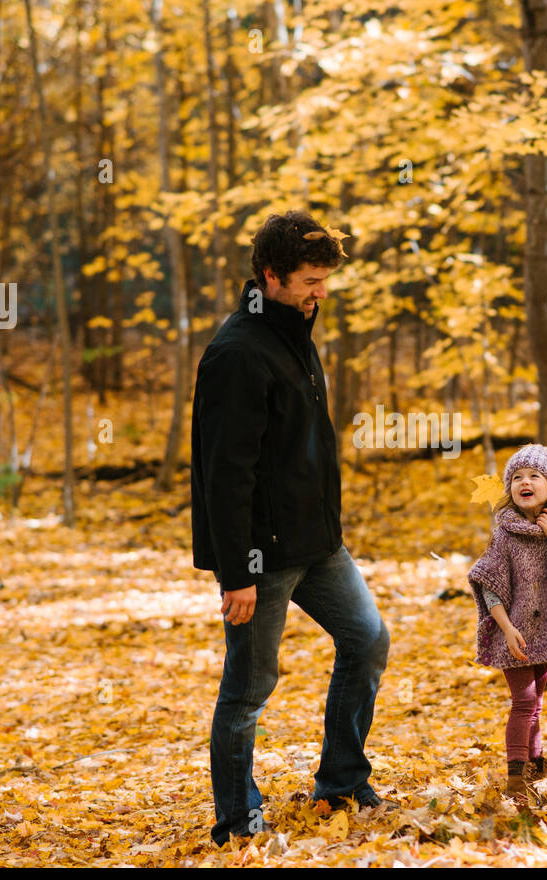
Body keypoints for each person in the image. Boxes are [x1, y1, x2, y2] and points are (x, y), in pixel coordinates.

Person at [190, 210, 391, 845]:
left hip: (319, 545)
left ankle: (341, 782)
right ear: (270, 276)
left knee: (367, 639)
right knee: (249, 689)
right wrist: (238, 573)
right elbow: (226, 478)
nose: (320, 292)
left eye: (325, 279)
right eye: (309, 280)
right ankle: (237, 816)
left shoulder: (292, 326)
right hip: (264, 556)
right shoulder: (236, 354)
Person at [468, 444, 547, 805]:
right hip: (515, 632)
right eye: (517, 477)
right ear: (510, 488)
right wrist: (506, 629)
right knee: (523, 703)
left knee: (536, 702)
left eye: (534, 476)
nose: (525, 482)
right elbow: (489, 587)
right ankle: (516, 778)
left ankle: (536, 764)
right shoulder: (505, 534)